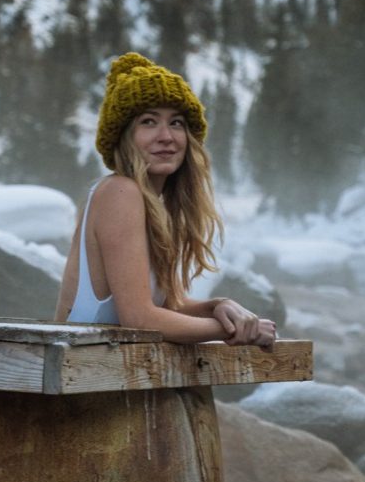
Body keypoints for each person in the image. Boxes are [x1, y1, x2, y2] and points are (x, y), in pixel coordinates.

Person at [55, 52, 276, 347]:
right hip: (77, 379)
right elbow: (141, 319)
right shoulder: (120, 193)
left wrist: (217, 308)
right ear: (124, 137)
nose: (166, 136)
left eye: (176, 123)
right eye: (148, 122)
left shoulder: (153, 204)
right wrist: (229, 330)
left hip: (107, 377)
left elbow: (163, 307)